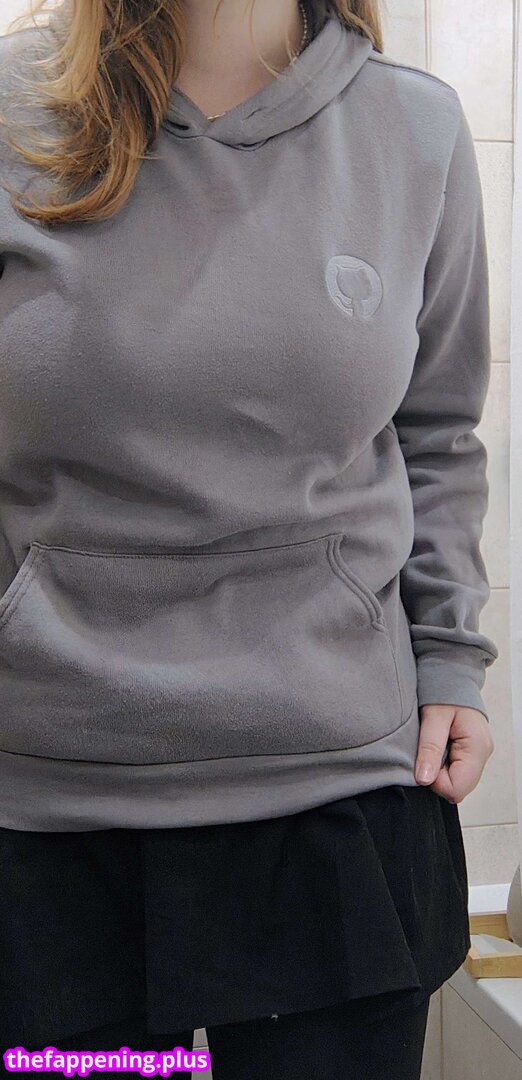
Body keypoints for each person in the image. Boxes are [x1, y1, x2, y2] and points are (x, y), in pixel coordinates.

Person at [0, 0, 498, 1077]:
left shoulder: (413, 128)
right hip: (45, 819)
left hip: (336, 804)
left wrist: (451, 655)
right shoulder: (11, 110)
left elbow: (437, 434)